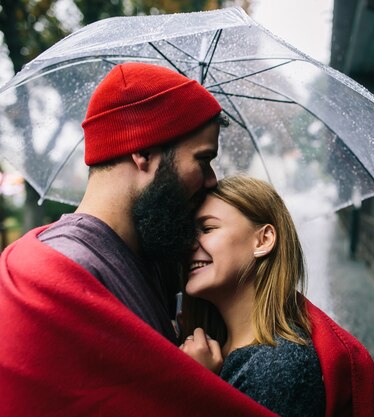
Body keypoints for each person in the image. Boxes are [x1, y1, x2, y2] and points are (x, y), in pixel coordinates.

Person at [0, 63, 279, 417]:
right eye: (203, 159)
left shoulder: (155, 254)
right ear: (143, 152)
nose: (211, 180)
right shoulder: (59, 275)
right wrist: (190, 388)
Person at [178, 175, 374, 417]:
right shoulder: (220, 350)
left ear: (263, 240)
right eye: (189, 233)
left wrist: (196, 389)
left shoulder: (277, 367)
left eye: (207, 228)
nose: (189, 244)